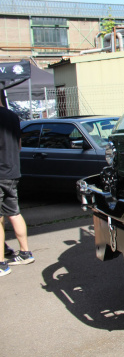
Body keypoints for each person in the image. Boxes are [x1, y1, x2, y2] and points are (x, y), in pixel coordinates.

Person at [0, 98, 34, 277]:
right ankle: (25, 253)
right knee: (14, 213)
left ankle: (1, 264)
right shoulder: (13, 116)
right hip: (12, 171)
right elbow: (19, 145)